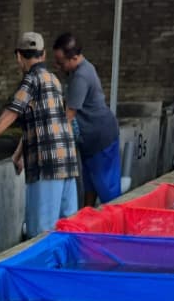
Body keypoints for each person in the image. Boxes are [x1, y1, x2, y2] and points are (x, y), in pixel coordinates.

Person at [0, 32, 79, 238]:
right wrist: (20, 153)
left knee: (41, 233)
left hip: (47, 166)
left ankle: (40, 271)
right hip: (68, 162)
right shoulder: (54, 80)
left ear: (18, 56)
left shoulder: (31, 80)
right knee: (68, 229)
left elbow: (12, 112)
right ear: (43, 55)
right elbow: (43, 123)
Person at [51, 33, 121, 207]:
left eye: (61, 62)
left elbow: (69, 115)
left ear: (74, 58)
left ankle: (117, 229)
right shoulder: (78, 70)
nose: (58, 66)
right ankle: (87, 218)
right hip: (90, 140)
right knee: (90, 184)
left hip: (100, 138)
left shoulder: (81, 76)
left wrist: (52, 143)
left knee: (108, 191)